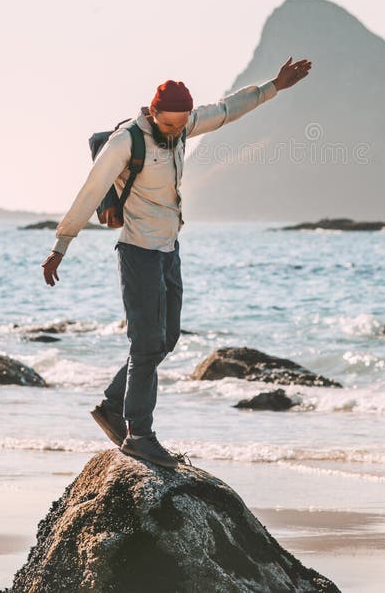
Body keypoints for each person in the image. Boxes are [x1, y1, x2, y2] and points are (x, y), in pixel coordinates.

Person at [42, 56, 312, 468]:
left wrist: (273, 86)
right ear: (153, 113)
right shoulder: (125, 142)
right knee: (146, 343)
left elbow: (225, 110)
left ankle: (113, 406)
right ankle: (139, 435)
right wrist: (61, 246)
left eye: (181, 125)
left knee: (166, 339)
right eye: (168, 125)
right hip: (137, 253)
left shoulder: (182, 125)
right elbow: (91, 190)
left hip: (169, 249)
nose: (175, 132)